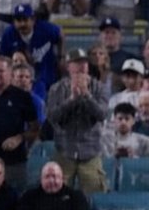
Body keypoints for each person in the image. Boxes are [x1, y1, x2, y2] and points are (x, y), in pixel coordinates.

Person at [45, 48, 110, 194]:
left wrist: (86, 95)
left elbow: (102, 114)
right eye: (76, 63)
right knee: (58, 196)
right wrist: (71, 99)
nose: (81, 66)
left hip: (90, 152)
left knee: (95, 194)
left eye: (84, 63)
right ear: (68, 66)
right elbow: (52, 117)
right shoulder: (57, 89)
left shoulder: (99, 88)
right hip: (64, 150)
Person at [0, 56, 38, 193]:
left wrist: (19, 138)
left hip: (14, 162)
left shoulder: (22, 97)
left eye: (1, 71)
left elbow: (35, 130)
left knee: (16, 201)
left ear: (10, 73)